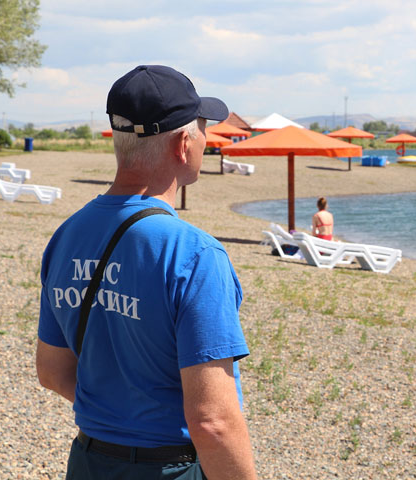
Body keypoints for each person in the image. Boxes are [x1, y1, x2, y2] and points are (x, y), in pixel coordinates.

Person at [35, 65, 257, 480]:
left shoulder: (67, 235)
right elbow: (213, 421)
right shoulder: (193, 253)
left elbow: (52, 372)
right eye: (204, 129)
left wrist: (118, 413)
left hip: (89, 462)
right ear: (183, 144)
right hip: (168, 469)